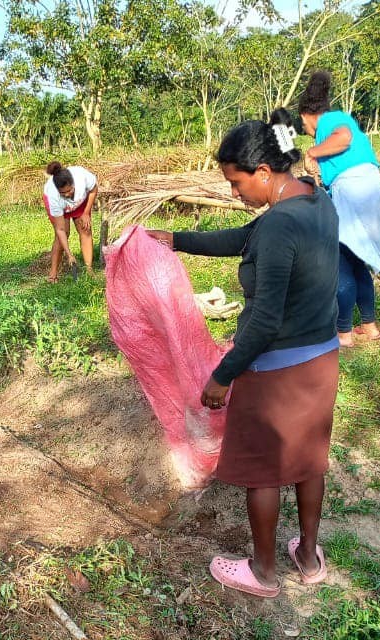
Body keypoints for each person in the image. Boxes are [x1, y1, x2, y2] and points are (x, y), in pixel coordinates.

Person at [145, 108, 341, 597]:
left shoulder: (277, 226)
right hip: (321, 361)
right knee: (308, 460)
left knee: (265, 469)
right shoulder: (316, 200)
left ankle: (263, 571)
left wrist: (222, 375)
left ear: (262, 172)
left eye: (236, 183)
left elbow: (265, 320)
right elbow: (246, 240)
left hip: (276, 369)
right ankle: (309, 557)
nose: (235, 194)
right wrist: (175, 240)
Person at [299, 71, 380, 348]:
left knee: (339, 264)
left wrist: (311, 154)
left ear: (307, 115)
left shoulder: (331, 120)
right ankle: (369, 326)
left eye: (302, 124)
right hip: (369, 190)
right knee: (357, 262)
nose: (305, 130)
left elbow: (344, 138)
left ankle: (343, 333)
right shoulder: (332, 125)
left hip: (354, 193)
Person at [43, 161, 98, 281]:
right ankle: (53, 274)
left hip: (80, 202)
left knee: (85, 229)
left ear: (73, 183)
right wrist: (69, 255)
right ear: (58, 191)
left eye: (70, 190)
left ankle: (89, 269)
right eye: (63, 193)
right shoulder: (53, 195)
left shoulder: (82, 176)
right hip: (61, 208)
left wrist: (85, 213)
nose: (67, 194)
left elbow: (93, 189)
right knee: (63, 234)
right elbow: (60, 229)